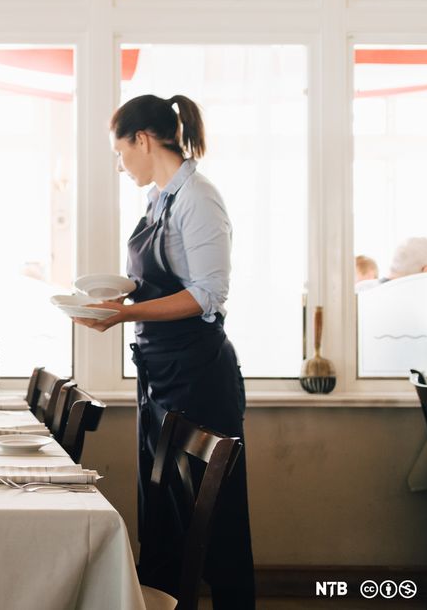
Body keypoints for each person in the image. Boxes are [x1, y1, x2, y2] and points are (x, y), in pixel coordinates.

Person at [71, 94, 255, 608]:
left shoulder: (199, 197)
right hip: (161, 371)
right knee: (163, 508)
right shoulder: (159, 199)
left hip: (199, 375)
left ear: (143, 139)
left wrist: (124, 314)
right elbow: (163, 281)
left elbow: (207, 294)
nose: (120, 164)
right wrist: (123, 297)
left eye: (120, 151)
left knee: (215, 516)